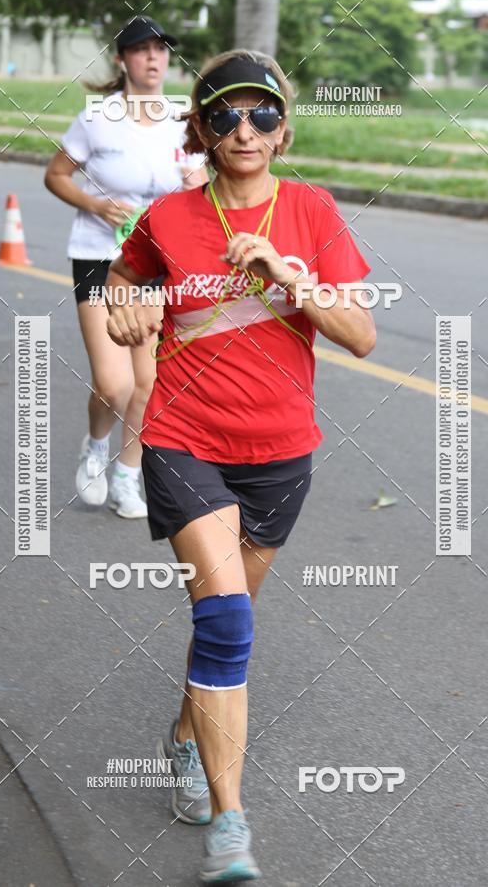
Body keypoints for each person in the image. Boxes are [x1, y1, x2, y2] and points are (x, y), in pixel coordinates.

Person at [104, 49, 376, 882]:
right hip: (184, 438)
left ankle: (186, 738)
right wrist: (123, 306)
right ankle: (232, 828)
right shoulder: (168, 219)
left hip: (281, 453)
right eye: (224, 115)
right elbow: (124, 277)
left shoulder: (314, 212)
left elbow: (362, 334)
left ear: (284, 127)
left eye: (261, 113)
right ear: (202, 131)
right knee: (223, 620)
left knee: (228, 623)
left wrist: (288, 279)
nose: (244, 128)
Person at [44, 16, 207, 518]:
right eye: (142, 50)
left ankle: (126, 475)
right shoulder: (98, 118)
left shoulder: (183, 120)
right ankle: (96, 445)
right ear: (123, 60)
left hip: (155, 265)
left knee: (151, 383)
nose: (154, 59)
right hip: (98, 257)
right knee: (114, 384)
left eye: (161, 50)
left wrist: (194, 185)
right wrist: (96, 205)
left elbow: (203, 191)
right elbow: (56, 176)